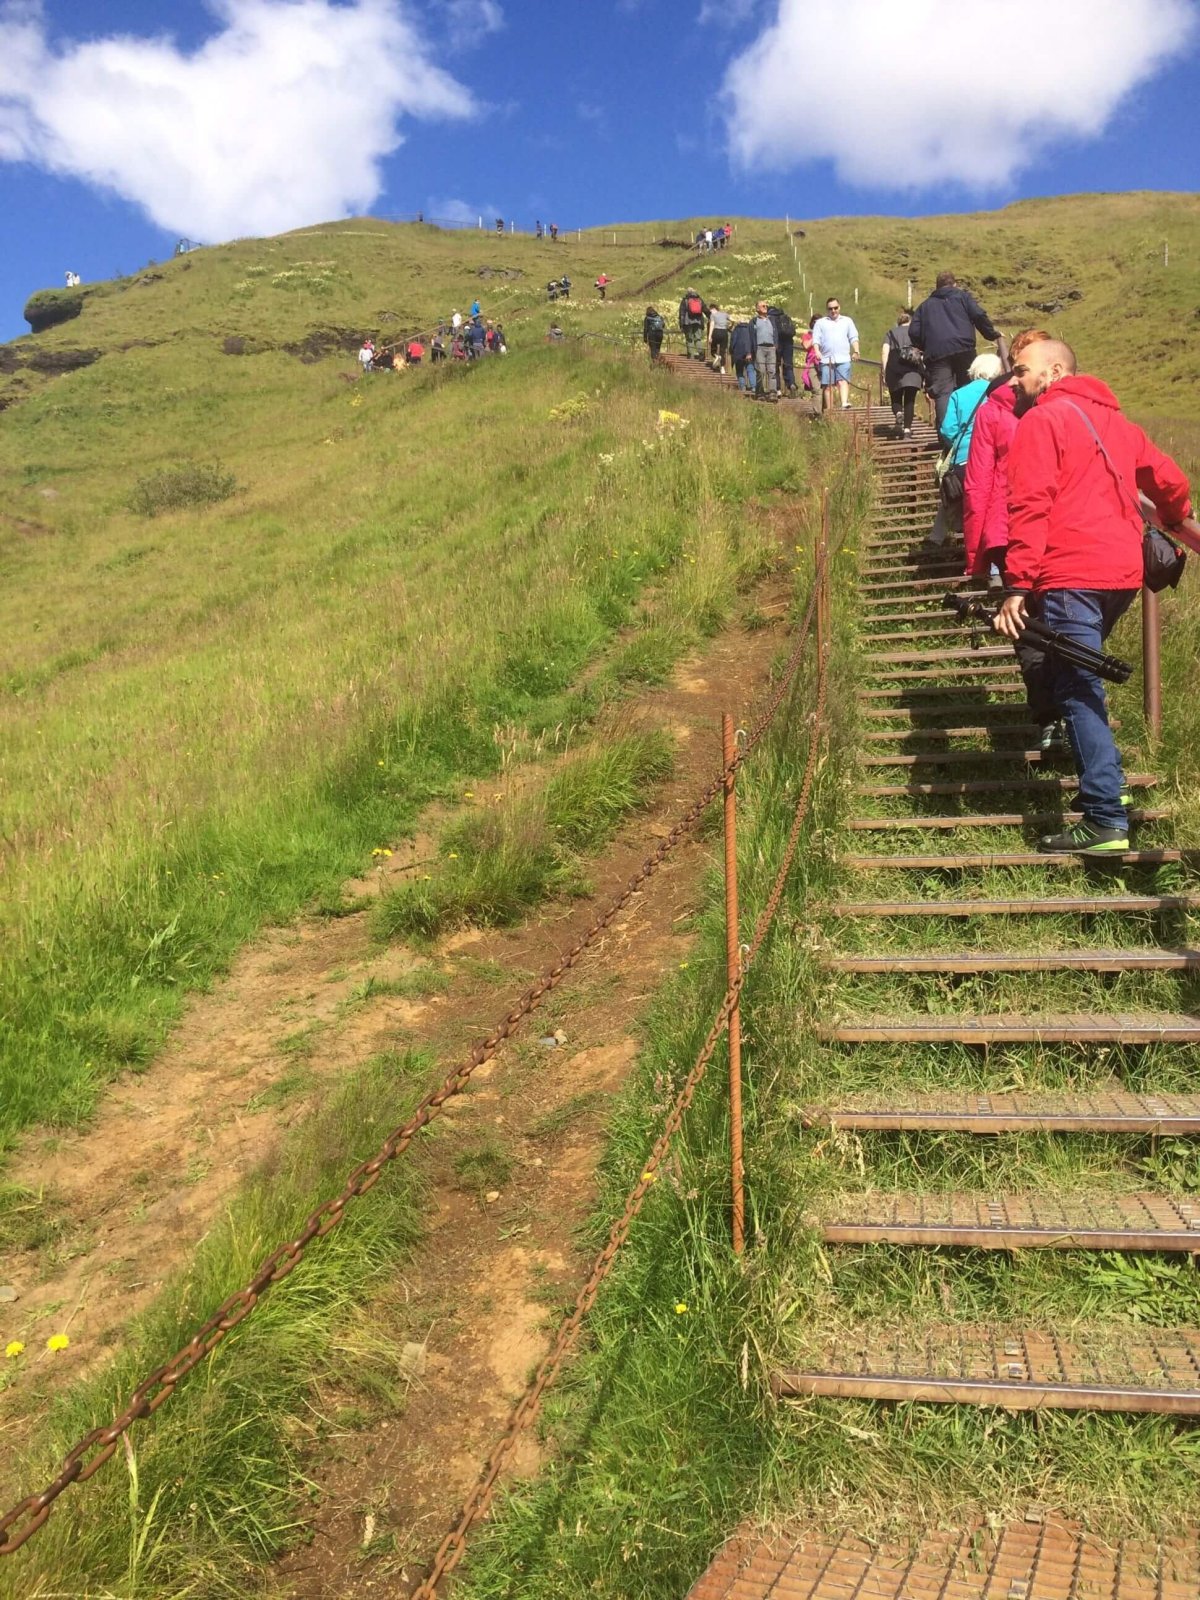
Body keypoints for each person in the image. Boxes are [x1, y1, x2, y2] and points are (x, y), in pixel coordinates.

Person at [994, 338, 1191, 854]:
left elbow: (1031, 503)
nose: (1015, 380)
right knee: (1073, 674)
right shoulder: (1118, 424)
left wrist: (1016, 584)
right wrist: (1175, 516)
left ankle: (1104, 813)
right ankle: (1108, 792)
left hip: (1070, 572)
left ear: (1055, 370)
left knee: (1078, 686)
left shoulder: (1043, 419)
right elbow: (1167, 479)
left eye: (1022, 371)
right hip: (1121, 575)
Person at [908, 269, 1002, 429]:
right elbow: (978, 315)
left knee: (943, 393)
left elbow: (913, 332)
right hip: (964, 348)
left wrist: (925, 346)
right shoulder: (963, 298)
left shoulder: (924, 307)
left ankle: (947, 436)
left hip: (937, 354)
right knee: (969, 387)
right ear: (955, 284)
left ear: (936, 287)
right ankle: (972, 429)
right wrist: (991, 334)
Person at [880, 309, 923, 437]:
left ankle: (898, 413)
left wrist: (884, 371)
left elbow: (884, 352)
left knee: (896, 396)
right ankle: (907, 431)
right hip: (913, 369)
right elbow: (922, 353)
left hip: (895, 368)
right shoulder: (916, 333)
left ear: (898, 323)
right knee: (910, 400)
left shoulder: (890, 333)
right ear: (910, 322)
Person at [811, 297, 860, 410]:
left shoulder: (847, 321)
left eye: (835, 308)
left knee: (843, 381)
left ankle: (844, 403)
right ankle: (830, 409)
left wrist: (856, 350)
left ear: (839, 307)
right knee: (828, 386)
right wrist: (817, 351)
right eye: (830, 309)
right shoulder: (820, 323)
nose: (833, 311)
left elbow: (853, 337)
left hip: (843, 358)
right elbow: (816, 339)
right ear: (827, 309)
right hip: (826, 359)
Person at [751, 300, 778, 401]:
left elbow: (776, 333)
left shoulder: (772, 320)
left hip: (771, 348)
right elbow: (751, 336)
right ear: (757, 309)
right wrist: (750, 351)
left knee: (772, 371)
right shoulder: (754, 321)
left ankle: (772, 393)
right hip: (759, 348)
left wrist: (776, 345)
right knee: (760, 371)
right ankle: (760, 392)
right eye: (763, 306)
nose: (765, 307)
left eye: (766, 306)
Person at [769, 303, 797, 395]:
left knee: (776, 365)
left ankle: (778, 389)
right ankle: (791, 384)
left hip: (777, 343)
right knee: (788, 365)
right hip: (789, 343)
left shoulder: (771, 317)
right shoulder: (785, 316)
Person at [678, 287, 708, 360]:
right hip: (698, 321)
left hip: (687, 322)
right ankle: (701, 352)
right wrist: (711, 316)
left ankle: (691, 355)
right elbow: (705, 309)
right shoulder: (699, 299)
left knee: (689, 339)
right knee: (698, 338)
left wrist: (681, 324)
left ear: (687, 292)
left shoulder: (685, 300)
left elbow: (682, 313)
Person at [730, 318, 756, 394]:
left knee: (739, 371)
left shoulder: (736, 330)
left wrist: (731, 350)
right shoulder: (750, 329)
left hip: (738, 353)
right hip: (749, 353)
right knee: (750, 370)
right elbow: (753, 341)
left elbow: (733, 341)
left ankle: (742, 386)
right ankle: (754, 387)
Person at [800, 316, 822, 399]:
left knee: (825, 387)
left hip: (823, 361)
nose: (816, 324)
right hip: (812, 362)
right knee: (815, 387)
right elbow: (806, 346)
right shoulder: (807, 335)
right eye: (814, 322)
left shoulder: (824, 335)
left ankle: (826, 408)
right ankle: (817, 410)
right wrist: (815, 335)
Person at [708, 302, 731, 373]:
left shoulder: (712, 315)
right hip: (724, 332)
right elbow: (732, 320)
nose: (710, 311)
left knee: (713, 347)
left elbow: (712, 325)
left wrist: (709, 336)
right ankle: (722, 368)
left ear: (713, 308)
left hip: (716, 331)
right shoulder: (725, 314)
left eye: (710, 310)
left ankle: (716, 355)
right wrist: (730, 327)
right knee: (722, 350)